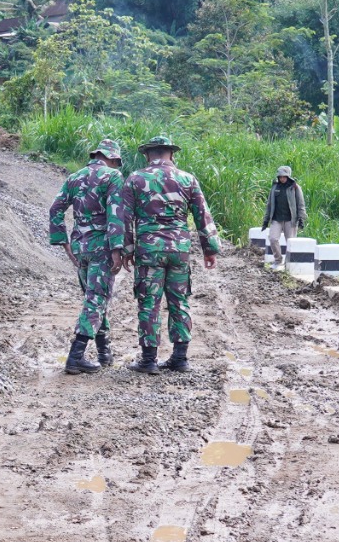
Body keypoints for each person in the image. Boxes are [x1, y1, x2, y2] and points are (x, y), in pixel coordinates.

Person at [116, 133, 220, 373]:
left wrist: (127, 250)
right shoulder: (187, 179)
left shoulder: (135, 179)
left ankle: (148, 360)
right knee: (179, 301)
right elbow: (202, 215)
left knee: (149, 302)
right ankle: (180, 358)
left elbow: (125, 218)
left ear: (146, 154)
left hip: (149, 250)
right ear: (171, 154)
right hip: (179, 250)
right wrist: (209, 249)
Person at [47, 138, 128, 373]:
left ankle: (104, 352)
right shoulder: (112, 177)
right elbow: (115, 214)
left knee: (94, 298)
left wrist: (62, 242)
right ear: (111, 158)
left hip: (79, 247)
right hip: (101, 247)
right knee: (96, 299)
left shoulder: (74, 177)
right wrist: (116, 249)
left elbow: (56, 209)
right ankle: (76, 355)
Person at [263, 165, 306, 267]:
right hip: (276, 219)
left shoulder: (295, 188)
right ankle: (278, 260)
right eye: (280, 176)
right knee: (273, 239)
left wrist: (301, 218)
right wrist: (266, 220)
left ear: (288, 176)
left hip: (290, 220)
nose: (282, 178)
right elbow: (269, 205)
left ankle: (289, 263)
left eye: (284, 176)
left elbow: (301, 204)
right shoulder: (274, 187)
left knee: (290, 243)